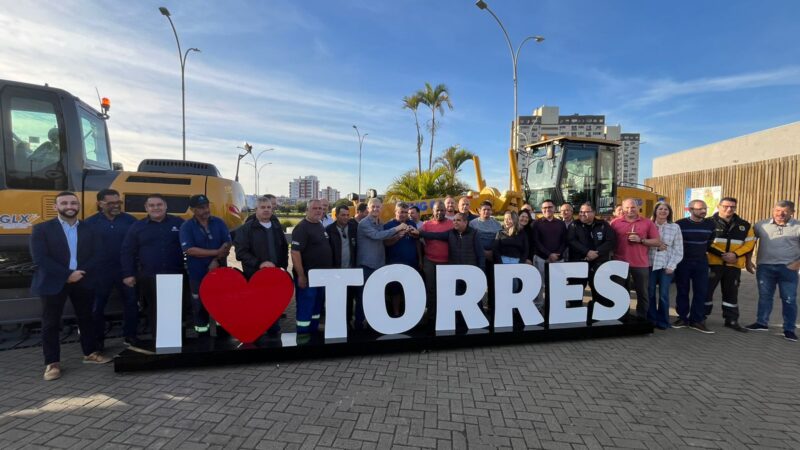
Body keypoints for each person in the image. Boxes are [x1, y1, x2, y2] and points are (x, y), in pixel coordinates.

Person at [31, 191, 110, 380]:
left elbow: (98, 255)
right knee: (51, 323)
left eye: (73, 203)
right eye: (64, 203)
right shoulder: (41, 229)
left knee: (86, 318)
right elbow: (40, 259)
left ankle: (90, 353)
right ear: (55, 206)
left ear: (78, 205)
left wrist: (79, 273)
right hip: (53, 281)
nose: (69, 206)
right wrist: (67, 275)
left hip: (83, 279)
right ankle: (52, 363)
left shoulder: (90, 229)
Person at [121, 194, 185, 340]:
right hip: (149, 276)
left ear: (165, 206)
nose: (156, 208)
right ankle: (159, 342)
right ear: (146, 208)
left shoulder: (179, 223)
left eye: (159, 205)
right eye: (152, 205)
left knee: (176, 311)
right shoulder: (137, 227)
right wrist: (128, 274)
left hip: (175, 275)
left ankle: (177, 343)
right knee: (154, 311)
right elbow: (127, 251)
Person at [84, 188, 139, 350]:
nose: (116, 205)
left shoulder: (130, 221)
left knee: (131, 304)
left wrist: (133, 270)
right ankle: (98, 341)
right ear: (99, 204)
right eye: (111, 203)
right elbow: (84, 250)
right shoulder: (89, 223)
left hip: (126, 271)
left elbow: (137, 246)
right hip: (100, 273)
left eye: (118, 202)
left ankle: (130, 336)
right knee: (97, 307)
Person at [745, 200, 800, 341]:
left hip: (788, 269)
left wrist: (797, 264)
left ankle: (789, 329)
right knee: (765, 297)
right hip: (765, 267)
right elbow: (750, 243)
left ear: (792, 212)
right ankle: (761, 323)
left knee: (789, 299)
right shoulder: (761, 225)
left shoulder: (798, 227)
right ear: (773, 210)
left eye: (785, 211)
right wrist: (748, 260)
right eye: (777, 210)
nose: (780, 214)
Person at [235, 195, 288, 336]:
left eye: (269, 207)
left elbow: (283, 249)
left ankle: (274, 333)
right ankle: (255, 335)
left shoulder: (277, 227)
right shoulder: (246, 229)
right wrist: (260, 264)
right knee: (256, 308)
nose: (266, 210)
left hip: (275, 277)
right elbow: (240, 253)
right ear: (256, 209)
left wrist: (283, 267)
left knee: (274, 308)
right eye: (262, 207)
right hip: (255, 277)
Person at [180, 195, 231, 335]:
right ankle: (202, 334)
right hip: (197, 274)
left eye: (207, 206)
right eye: (201, 208)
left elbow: (227, 244)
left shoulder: (219, 223)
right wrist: (216, 252)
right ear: (192, 210)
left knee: (222, 304)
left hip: (219, 272)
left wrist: (216, 260)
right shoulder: (186, 227)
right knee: (199, 306)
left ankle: (223, 336)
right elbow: (189, 250)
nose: (205, 210)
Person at [356, 198, 406, 328]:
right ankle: (359, 324)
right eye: (373, 207)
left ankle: (373, 322)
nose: (376, 209)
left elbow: (384, 238)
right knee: (363, 296)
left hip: (378, 265)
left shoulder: (379, 222)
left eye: (378, 207)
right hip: (366, 265)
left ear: (381, 208)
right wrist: (397, 228)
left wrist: (399, 235)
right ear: (368, 208)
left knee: (375, 295)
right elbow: (377, 235)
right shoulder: (364, 223)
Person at [706, 197, 754, 332]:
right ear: (718, 206)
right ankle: (701, 318)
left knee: (731, 294)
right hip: (713, 263)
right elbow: (706, 242)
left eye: (733, 207)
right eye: (726, 206)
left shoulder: (744, 224)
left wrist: (735, 255)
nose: (729, 209)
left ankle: (731, 320)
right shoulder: (708, 222)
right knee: (706, 292)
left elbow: (749, 243)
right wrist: (722, 255)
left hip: (734, 265)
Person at [610, 198, 660, 320]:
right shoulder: (615, 223)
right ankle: (622, 316)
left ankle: (641, 318)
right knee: (621, 292)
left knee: (642, 293)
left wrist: (641, 240)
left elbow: (657, 242)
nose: (630, 210)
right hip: (620, 263)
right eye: (627, 207)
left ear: (637, 208)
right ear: (623, 208)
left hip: (640, 264)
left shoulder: (647, 222)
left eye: (632, 207)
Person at [673, 199, 716, 333]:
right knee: (682, 290)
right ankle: (682, 318)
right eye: (700, 209)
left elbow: (709, 242)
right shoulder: (680, 224)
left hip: (701, 262)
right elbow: (675, 243)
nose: (703, 211)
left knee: (701, 291)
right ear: (690, 210)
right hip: (683, 262)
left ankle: (696, 320)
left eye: (705, 208)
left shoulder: (710, 224)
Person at [291, 199, 333, 334]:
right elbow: (295, 252)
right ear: (307, 210)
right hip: (308, 278)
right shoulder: (302, 228)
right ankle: (303, 335)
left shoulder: (319, 225)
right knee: (305, 307)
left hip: (321, 277)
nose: (319, 211)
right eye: (315, 208)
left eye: (321, 208)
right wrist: (301, 275)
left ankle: (313, 333)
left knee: (316, 308)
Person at [566, 202, 617, 312]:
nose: (582, 214)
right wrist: (587, 252)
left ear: (593, 213)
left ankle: (597, 314)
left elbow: (611, 241)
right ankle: (575, 313)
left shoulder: (603, 224)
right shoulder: (574, 225)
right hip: (578, 264)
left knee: (598, 291)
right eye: (580, 212)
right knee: (576, 291)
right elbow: (571, 241)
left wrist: (597, 253)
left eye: (586, 212)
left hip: (598, 264)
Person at [647, 202, 683, 330]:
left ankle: (663, 321)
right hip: (649, 264)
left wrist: (672, 266)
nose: (663, 211)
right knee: (650, 293)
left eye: (666, 209)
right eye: (660, 209)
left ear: (669, 212)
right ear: (655, 211)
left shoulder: (675, 227)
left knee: (663, 294)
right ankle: (651, 319)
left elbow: (679, 249)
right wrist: (656, 244)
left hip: (666, 266)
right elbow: (642, 243)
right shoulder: (648, 225)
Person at [383, 202, 418, 316]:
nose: (402, 214)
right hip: (394, 263)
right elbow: (386, 243)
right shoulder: (388, 225)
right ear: (395, 212)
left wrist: (421, 260)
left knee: (410, 289)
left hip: (411, 263)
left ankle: (410, 313)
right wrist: (398, 236)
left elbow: (417, 241)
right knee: (395, 290)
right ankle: (396, 313)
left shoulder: (412, 223)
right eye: (400, 212)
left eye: (405, 212)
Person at [327, 204, 358, 327]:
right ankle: (335, 323)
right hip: (335, 271)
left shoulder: (354, 228)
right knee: (336, 299)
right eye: (342, 215)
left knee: (349, 298)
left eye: (347, 215)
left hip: (350, 270)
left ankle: (348, 321)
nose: (345, 217)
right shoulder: (329, 230)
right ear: (336, 215)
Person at [420, 201, 453, 319]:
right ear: (433, 211)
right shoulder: (426, 225)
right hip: (430, 261)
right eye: (437, 210)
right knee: (431, 289)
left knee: (446, 289)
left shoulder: (452, 224)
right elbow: (418, 239)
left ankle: (445, 315)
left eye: (442, 210)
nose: (440, 212)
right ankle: (431, 315)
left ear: (445, 211)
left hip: (447, 262)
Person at [531, 199, 567, 308]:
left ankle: (555, 306)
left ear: (555, 209)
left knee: (557, 284)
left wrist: (558, 254)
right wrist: (549, 254)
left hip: (558, 259)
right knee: (539, 285)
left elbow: (564, 241)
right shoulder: (536, 223)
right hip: (541, 259)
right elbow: (536, 242)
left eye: (550, 207)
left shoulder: (561, 223)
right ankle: (538, 306)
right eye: (544, 208)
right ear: (541, 210)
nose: (547, 209)